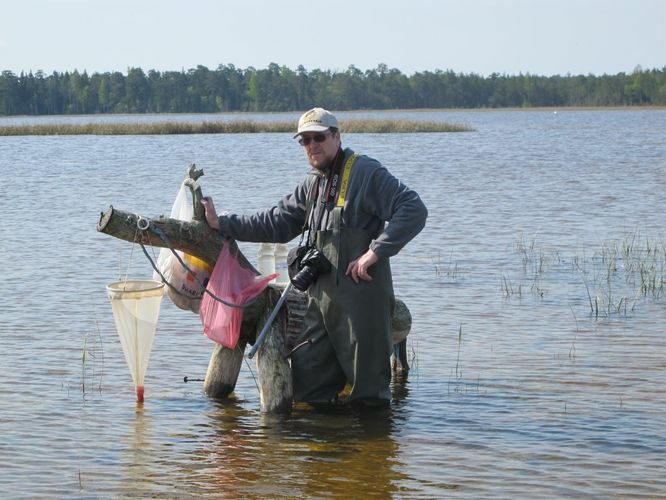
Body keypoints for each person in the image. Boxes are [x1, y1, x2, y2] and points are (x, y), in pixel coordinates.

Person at [201, 107, 427, 408]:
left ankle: (373, 453)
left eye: (318, 137)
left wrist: (374, 252)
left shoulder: (365, 172)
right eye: (304, 140)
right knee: (309, 391)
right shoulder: (312, 183)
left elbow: (413, 208)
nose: (312, 146)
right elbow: (277, 222)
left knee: (369, 399)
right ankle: (320, 451)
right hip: (318, 305)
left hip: (362, 302)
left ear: (336, 136)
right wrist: (223, 224)